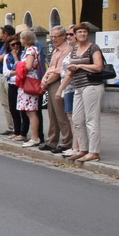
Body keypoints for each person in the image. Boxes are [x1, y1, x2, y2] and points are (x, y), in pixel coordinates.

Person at [62, 23, 105, 162]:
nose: (82, 34)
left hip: (91, 86)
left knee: (91, 119)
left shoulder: (93, 48)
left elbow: (98, 67)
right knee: (77, 119)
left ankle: (94, 151)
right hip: (78, 87)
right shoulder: (74, 50)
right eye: (79, 32)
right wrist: (60, 89)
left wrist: (80, 65)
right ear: (75, 34)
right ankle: (82, 149)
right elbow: (70, 72)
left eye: (84, 32)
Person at [40, 24, 74, 154]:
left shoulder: (67, 49)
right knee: (52, 113)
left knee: (61, 114)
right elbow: (51, 67)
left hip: (59, 82)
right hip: (51, 82)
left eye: (56, 36)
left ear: (64, 36)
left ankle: (66, 142)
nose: (53, 39)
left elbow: (58, 70)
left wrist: (46, 81)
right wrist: (44, 80)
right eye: (52, 36)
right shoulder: (56, 49)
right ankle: (51, 141)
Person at [13, 29, 44, 145]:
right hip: (28, 80)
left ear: (25, 39)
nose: (20, 41)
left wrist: (19, 66)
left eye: (21, 38)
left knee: (31, 111)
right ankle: (34, 136)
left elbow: (29, 66)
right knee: (29, 111)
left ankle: (35, 137)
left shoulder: (31, 50)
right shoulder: (32, 49)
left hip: (28, 81)